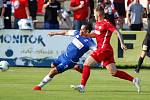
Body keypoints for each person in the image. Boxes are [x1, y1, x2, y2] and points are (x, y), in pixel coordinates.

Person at [71, 6, 141, 93]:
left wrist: (122, 43)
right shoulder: (97, 23)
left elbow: (117, 32)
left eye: (95, 13)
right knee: (113, 72)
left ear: (99, 13)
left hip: (104, 48)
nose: (94, 15)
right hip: (106, 50)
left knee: (86, 64)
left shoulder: (106, 23)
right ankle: (134, 80)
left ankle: (82, 86)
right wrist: (86, 35)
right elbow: (97, 35)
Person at [32, 24, 96, 90]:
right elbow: (66, 32)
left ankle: (39, 86)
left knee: (53, 71)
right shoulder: (77, 33)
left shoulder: (90, 42)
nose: (80, 30)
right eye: (80, 29)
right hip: (64, 55)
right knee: (52, 65)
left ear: (87, 31)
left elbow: (97, 50)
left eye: (82, 29)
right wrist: (54, 33)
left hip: (69, 61)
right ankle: (75, 67)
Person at [134, 0, 150, 73]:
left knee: (145, 53)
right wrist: (147, 3)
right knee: (143, 53)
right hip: (148, 38)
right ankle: (137, 69)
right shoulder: (149, 16)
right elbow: (147, 9)